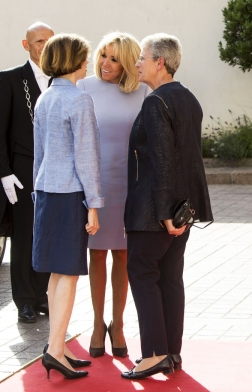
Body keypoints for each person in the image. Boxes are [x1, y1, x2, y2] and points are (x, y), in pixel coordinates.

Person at [121, 33, 213, 379]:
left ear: (160, 62)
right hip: (180, 211)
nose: (137, 63)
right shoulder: (188, 99)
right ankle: (171, 353)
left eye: (142, 58)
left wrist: (163, 214)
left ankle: (154, 355)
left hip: (155, 213)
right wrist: (183, 211)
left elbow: (162, 160)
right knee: (170, 278)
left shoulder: (156, 102)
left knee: (143, 274)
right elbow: (188, 161)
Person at [77, 32, 152, 359]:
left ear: (127, 63)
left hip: (129, 184)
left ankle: (118, 325)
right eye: (103, 56)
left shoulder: (145, 91)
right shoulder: (84, 87)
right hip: (95, 184)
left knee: (122, 254)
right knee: (96, 254)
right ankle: (96, 324)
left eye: (114, 59)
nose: (105, 64)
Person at [34, 33, 103, 380]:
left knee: (56, 272)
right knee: (69, 273)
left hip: (47, 192)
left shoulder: (44, 98)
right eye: (85, 56)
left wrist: (37, 194)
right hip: (69, 195)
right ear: (74, 60)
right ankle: (57, 350)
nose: (88, 62)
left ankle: (53, 348)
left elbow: (39, 155)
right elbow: (87, 158)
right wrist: (94, 204)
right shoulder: (79, 100)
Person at [0, 22, 54, 324]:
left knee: (47, 236)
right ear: (26, 45)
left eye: (49, 40)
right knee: (24, 238)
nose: (44, 45)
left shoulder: (61, 80)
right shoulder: (11, 79)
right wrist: (4, 174)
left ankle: (43, 296)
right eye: (39, 40)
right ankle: (25, 300)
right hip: (21, 174)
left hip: (53, 172)